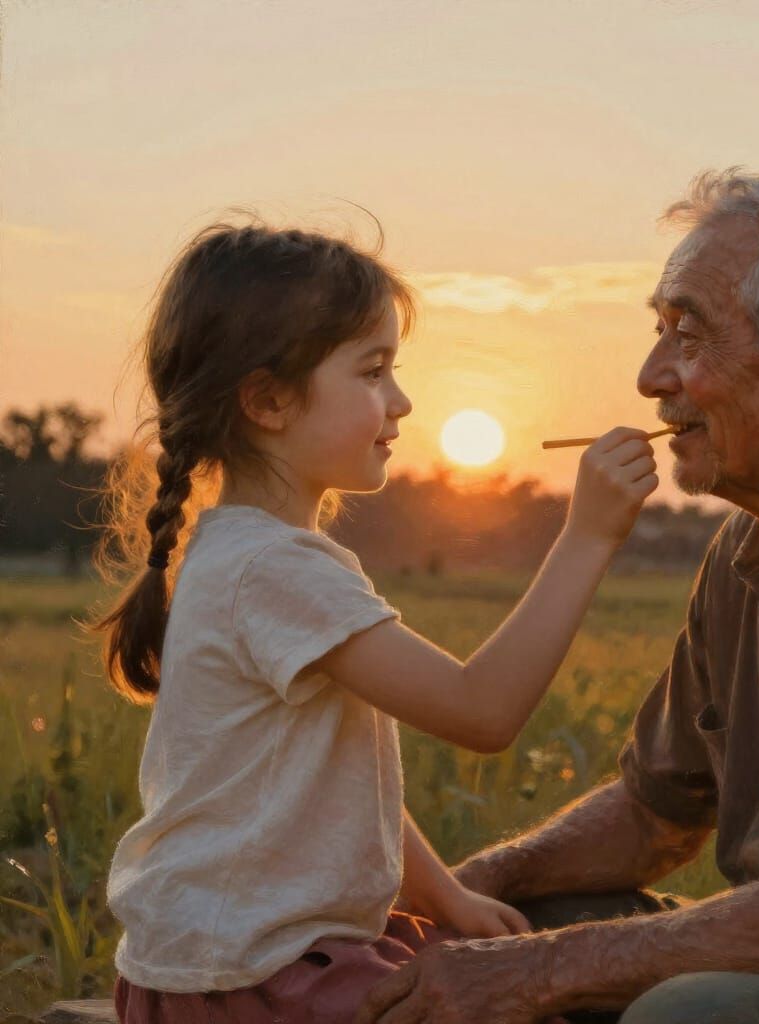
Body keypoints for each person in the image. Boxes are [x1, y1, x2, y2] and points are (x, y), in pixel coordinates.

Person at [356, 172, 759, 1023]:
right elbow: (653, 815)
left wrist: (533, 973)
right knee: (521, 923)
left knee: (690, 1013)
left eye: (689, 334)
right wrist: (462, 897)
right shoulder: (749, 549)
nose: (649, 376)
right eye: (658, 329)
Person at [92, 220, 659, 1024]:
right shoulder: (274, 570)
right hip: (248, 980)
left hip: (241, 959)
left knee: (507, 965)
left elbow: (339, 791)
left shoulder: (250, 554)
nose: (401, 401)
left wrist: (451, 898)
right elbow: (482, 710)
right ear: (268, 401)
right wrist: (589, 534)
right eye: (373, 371)